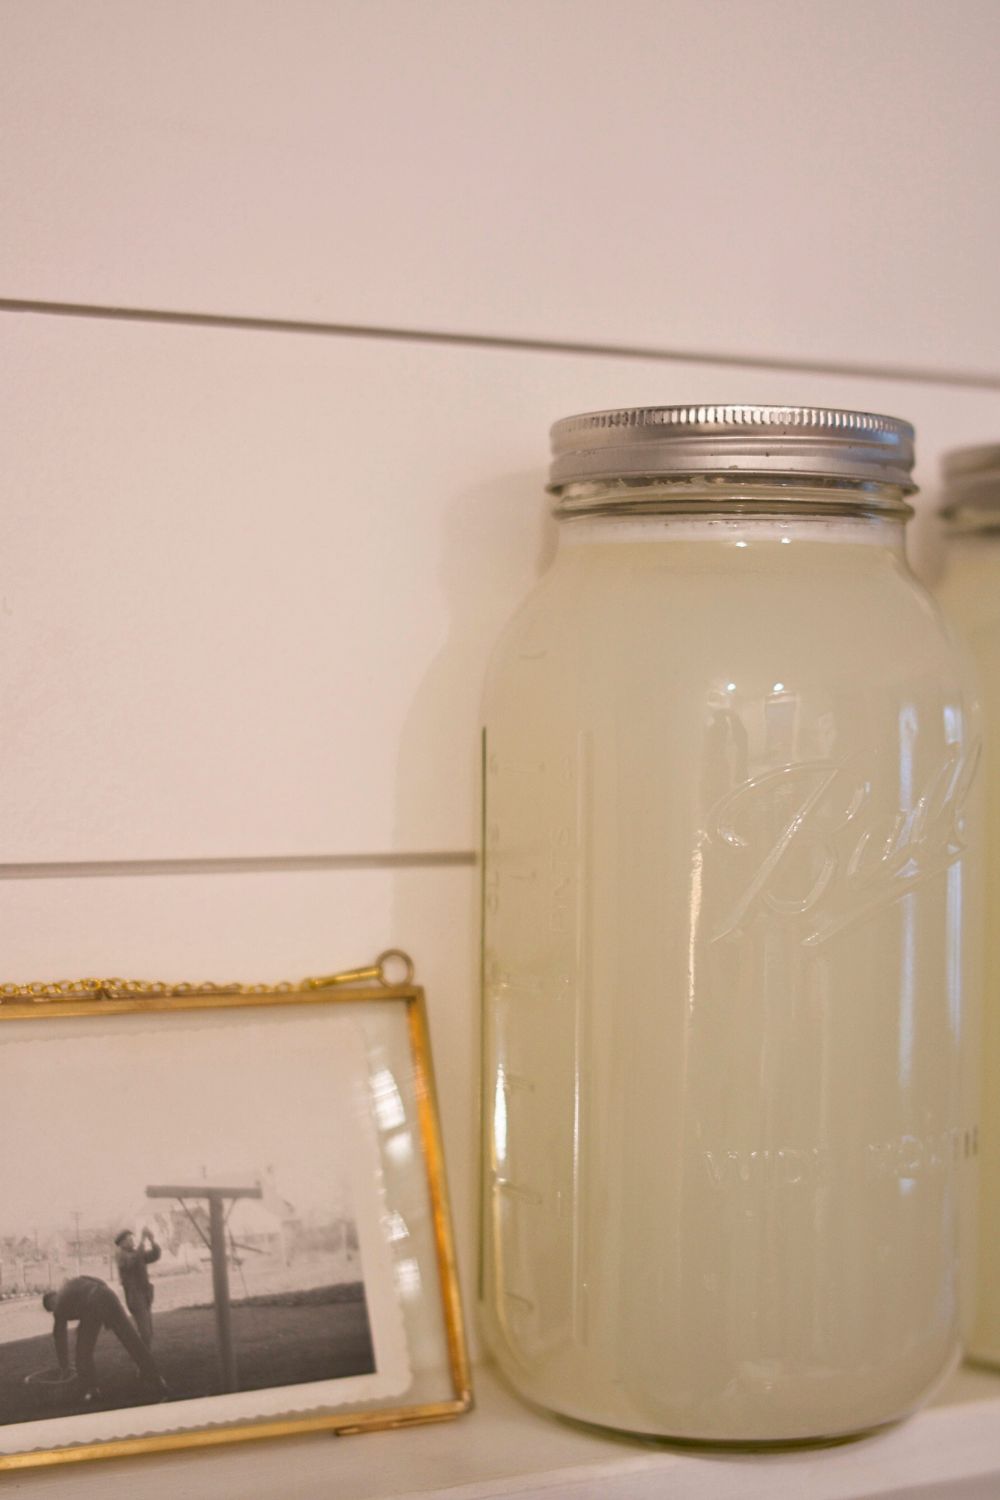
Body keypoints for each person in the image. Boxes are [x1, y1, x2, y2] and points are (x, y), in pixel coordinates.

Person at [41, 1275, 168, 1401]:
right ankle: (156, 1379)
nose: (53, 1308)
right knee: (131, 1339)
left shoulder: (58, 1307)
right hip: (107, 1295)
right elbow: (100, 1282)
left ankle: (92, 1389)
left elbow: (60, 1338)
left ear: (51, 1301)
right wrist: (105, 1313)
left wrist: (64, 1366)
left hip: (92, 1305)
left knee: (82, 1353)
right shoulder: (72, 1282)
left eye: (50, 1306)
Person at [115, 1225, 161, 1346]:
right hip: (135, 1296)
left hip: (145, 1294)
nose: (132, 1241)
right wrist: (142, 1240)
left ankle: (144, 1355)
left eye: (132, 1238)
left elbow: (154, 1256)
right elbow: (133, 1261)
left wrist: (152, 1240)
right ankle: (144, 1357)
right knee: (145, 1331)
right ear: (122, 1243)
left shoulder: (135, 1253)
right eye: (129, 1239)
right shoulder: (121, 1255)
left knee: (148, 1331)